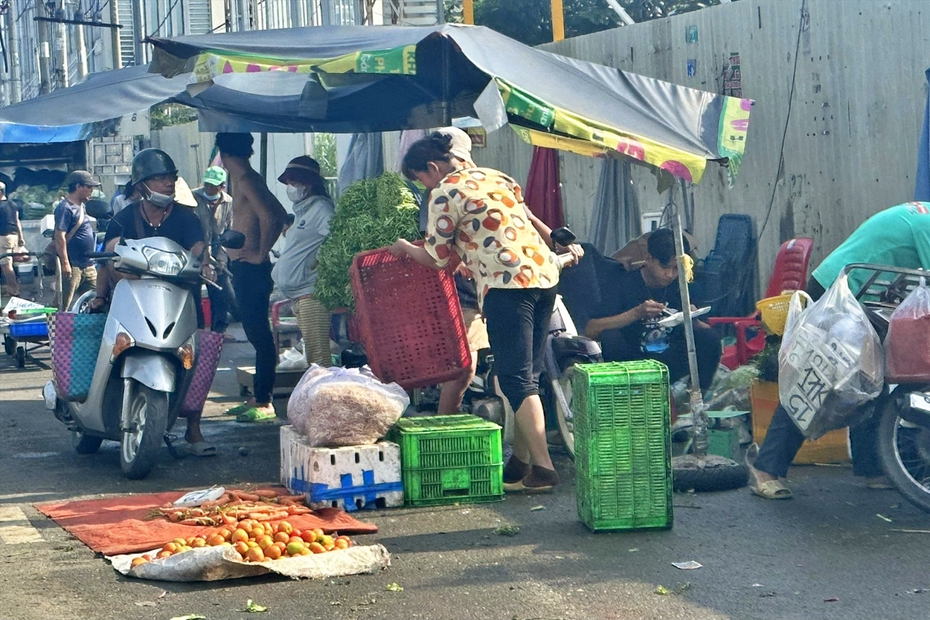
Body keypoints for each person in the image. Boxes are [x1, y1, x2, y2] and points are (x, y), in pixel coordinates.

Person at [391, 132, 562, 492]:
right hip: (544, 277)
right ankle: (522, 462)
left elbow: (435, 258)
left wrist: (405, 248)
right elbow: (500, 227)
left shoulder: (444, 192)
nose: (423, 186)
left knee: (516, 379)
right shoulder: (498, 176)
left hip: (506, 286)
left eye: (420, 178)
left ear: (433, 168)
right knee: (524, 375)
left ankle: (544, 469)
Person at [748, 201, 930, 499]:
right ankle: (765, 469)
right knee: (816, 378)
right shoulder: (927, 226)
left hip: (864, 291)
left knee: (872, 378)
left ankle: (873, 467)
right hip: (839, 288)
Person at [425, 127, 582, 415]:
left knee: (520, 380)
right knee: (472, 367)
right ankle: (450, 424)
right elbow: (443, 250)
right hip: (477, 289)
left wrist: (558, 244)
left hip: (505, 282)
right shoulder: (465, 186)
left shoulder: (473, 185)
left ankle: (535, 460)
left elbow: (528, 217)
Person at [87, 149, 215, 456]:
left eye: (170, 177)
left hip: (179, 298)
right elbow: (108, 259)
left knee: (197, 358)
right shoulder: (123, 219)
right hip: (133, 299)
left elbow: (199, 250)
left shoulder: (187, 218)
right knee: (102, 343)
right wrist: (100, 295)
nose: (168, 183)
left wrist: (205, 261)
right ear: (141, 185)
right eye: (159, 178)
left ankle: (194, 429)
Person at [584, 228, 722, 392]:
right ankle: (627, 393)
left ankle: (695, 395)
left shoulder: (683, 285)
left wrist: (694, 320)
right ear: (649, 259)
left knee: (710, 338)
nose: (670, 274)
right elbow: (590, 330)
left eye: (676, 268)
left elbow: (706, 332)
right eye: (664, 267)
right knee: (610, 337)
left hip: (671, 358)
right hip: (634, 361)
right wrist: (635, 314)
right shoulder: (623, 284)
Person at [215, 133, 288, 424]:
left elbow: (274, 215)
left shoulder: (246, 179)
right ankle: (257, 395)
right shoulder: (241, 178)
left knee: (258, 334)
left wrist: (260, 252)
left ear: (222, 152)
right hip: (243, 267)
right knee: (253, 331)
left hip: (252, 268)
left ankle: (264, 400)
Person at [272, 156, 335, 368]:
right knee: (314, 357)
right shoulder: (303, 211)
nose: (290, 187)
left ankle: (325, 399)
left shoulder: (321, 209)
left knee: (319, 359)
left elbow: (334, 243)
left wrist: (315, 265)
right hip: (299, 296)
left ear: (309, 184)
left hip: (311, 295)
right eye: (289, 183)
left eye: (295, 182)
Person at [192, 166, 236, 339]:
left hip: (218, 248)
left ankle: (219, 331)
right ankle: (198, 330)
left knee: (220, 293)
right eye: (207, 184)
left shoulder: (228, 202)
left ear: (222, 186)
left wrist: (221, 260)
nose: (209, 188)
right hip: (195, 247)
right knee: (193, 291)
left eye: (213, 186)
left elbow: (228, 231)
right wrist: (204, 260)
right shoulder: (193, 197)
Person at [54, 171, 100, 310]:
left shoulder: (82, 206)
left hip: (88, 265)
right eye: (89, 186)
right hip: (73, 265)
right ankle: (56, 330)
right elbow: (59, 236)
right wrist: (65, 263)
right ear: (78, 186)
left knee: (95, 300)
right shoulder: (65, 208)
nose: (91, 190)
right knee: (63, 304)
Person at [0, 181, 25, 297]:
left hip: (3, 238)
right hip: (13, 236)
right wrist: (21, 237)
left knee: (6, 264)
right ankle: (13, 286)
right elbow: (17, 221)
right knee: (11, 263)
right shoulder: (12, 204)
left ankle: (13, 289)